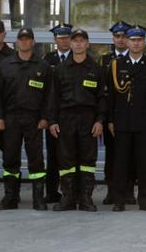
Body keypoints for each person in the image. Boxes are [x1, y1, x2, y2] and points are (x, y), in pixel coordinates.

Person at [0, 27, 52, 211]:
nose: (24, 42)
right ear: (17, 42)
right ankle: (10, 197)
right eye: (21, 39)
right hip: (11, 119)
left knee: (36, 159)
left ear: (33, 42)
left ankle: (38, 199)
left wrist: (45, 117)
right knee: (10, 158)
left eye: (27, 39)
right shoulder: (5, 65)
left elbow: (49, 96)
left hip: (34, 120)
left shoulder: (43, 66)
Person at [104, 25, 146, 212]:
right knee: (120, 163)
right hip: (121, 121)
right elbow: (111, 97)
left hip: (144, 122)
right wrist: (110, 120)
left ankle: (144, 200)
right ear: (127, 42)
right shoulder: (116, 65)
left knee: (143, 163)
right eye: (133, 40)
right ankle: (119, 200)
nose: (136, 43)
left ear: (144, 42)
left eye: (139, 40)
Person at [46, 29, 105, 212]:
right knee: (66, 161)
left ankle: (86, 198)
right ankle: (68, 198)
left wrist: (100, 120)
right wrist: (53, 121)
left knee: (88, 161)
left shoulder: (96, 69)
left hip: (88, 120)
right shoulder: (60, 69)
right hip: (66, 119)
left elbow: (102, 98)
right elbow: (53, 98)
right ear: (70, 44)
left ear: (87, 44)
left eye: (82, 41)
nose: (78, 44)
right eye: (75, 41)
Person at [41, 23, 75, 204]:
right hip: (53, 115)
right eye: (60, 38)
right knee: (53, 156)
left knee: (71, 155)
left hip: (72, 116)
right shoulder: (47, 59)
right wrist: (46, 116)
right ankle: (52, 191)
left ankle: (72, 192)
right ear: (55, 40)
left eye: (67, 37)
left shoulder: (78, 58)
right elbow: (44, 91)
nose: (64, 41)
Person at [100, 20, 132, 206]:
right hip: (110, 114)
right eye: (117, 36)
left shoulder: (135, 58)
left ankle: (128, 191)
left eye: (124, 36)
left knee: (130, 155)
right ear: (113, 38)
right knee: (111, 155)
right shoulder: (105, 59)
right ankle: (111, 191)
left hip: (129, 114)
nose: (120, 39)